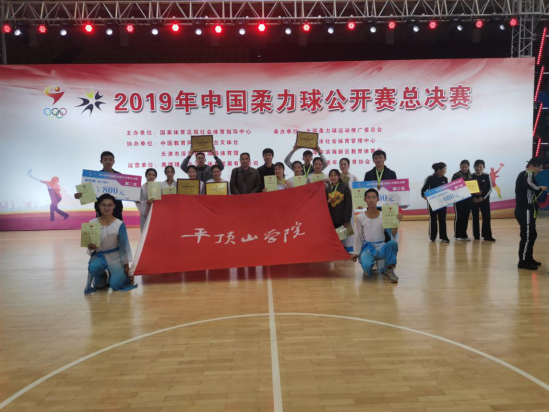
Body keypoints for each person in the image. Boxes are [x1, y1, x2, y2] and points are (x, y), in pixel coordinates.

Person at [84, 194, 137, 295]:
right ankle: (102, 276)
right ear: (99, 206)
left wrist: (126, 266)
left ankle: (115, 275)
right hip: (99, 256)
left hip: (115, 256)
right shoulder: (92, 223)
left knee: (116, 285)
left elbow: (124, 246)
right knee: (94, 269)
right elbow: (89, 245)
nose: (106, 208)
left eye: (109, 205)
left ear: (114, 206)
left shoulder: (119, 224)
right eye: (103, 205)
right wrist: (90, 246)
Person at [351, 188, 402, 283]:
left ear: (378, 199)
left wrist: (396, 222)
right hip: (368, 248)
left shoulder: (384, 215)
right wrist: (356, 253)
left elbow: (391, 234)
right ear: (365, 199)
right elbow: (358, 236)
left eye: (374, 197)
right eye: (369, 198)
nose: (371, 200)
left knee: (392, 243)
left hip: (382, 246)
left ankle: (388, 269)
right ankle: (369, 265)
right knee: (367, 267)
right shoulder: (360, 217)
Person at [514, 157, 548, 270]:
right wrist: (539, 188)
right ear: (532, 165)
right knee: (527, 236)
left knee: (532, 234)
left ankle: (529, 258)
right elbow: (528, 184)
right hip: (525, 210)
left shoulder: (527, 175)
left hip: (528, 209)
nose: (539, 170)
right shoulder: (528, 174)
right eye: (539, 168)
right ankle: (523, 262)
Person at [74, 151, 124, 221]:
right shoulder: (95, 176)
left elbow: (125, 192)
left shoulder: (120, 176)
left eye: (110, 160)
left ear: (113, 161)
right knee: (101, 227)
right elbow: (87, 193)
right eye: (105, 159)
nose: (108, 162)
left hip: (116, 209)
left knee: (117, 227)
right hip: (101, 209)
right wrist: (80, 196)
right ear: (101, 161)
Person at [422, 162, 450, 243]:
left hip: (443, 202)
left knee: (442, 219)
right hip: (432, 202)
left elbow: (447, 190)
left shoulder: (445, 179)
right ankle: (433, 237)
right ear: (439, 170)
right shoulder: (430, 178)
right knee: (433, 219)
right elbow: (424, 189)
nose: (445, 171)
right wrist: (424, 195)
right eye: (444, 169)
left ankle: (444, 237)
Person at [472, 160, 496, 242]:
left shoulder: (487, 176)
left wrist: (483, 197)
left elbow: (490, 188)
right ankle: (476, 235)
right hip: (474, 201)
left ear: (483, 167)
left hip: (484, 201)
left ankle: (487, 236)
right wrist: (472, 198)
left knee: (486, 217)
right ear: (474, 167)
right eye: (477, 166)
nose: (478, 168)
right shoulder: (471, 176)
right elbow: (467, 189)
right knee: (475, 217)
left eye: (480, 167)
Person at [452, 160, 475, 241]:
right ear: (460, 167)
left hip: (468, 199)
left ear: (468, 167)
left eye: (466, 167)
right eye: (462, 167)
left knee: (466, 216)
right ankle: (457, 235)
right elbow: (452, 187)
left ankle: (464, 235)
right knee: (459, 216)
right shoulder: (456, 175)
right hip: (458, 199)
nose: (464, 168)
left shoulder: (471, 175)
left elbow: (474, 187)